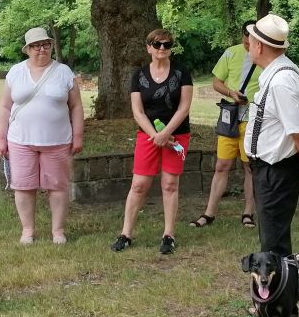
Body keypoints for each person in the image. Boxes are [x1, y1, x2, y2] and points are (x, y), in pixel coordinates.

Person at [0, 26, 85, 245]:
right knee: (23, 186)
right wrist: (1, 138)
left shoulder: (64, 72)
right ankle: (27, 231)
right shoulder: (16, 72)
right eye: (36, 46)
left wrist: (78, 135)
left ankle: (58, 231)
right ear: (27, 49)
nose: (42, 49)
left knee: (58, 186)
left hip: (58, 140)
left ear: (51, 46)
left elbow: (76, 106)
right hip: (20, 140)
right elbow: (5, 107)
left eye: (45, 44)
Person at [111, 29, 194, 255]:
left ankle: (169, 235)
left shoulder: (182, 72)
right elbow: (137, 111)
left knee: (170, 184)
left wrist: (166, 133)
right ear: (148, 48)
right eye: (157, 44)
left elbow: (184, 107)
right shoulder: (139, 75)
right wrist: (156, 136)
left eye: (166, 45)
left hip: (176, 135)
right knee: (139, 184)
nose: (162, 48)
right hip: (148, 136)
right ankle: (126, 234)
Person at [244, 13, 299, 258]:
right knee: (272, 235)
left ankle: (278, 282)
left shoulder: (280, 82)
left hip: (276, 170)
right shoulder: (281, 73)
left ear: (259, 46)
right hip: (271, 169)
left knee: (273, 243)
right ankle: (278, 280)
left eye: (250, 42)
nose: (248, 46)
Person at [188, 21, 261, 230]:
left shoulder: (265, 57)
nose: (248, 43)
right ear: (242, 36)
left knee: (250, 167)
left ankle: (248, 213)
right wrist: (231, 93)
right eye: (246, 38)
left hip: (253, 119)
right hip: (230, 117)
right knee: (222, 165)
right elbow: (216, 82)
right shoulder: (231, 53)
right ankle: (209, 213)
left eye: (253, 39)